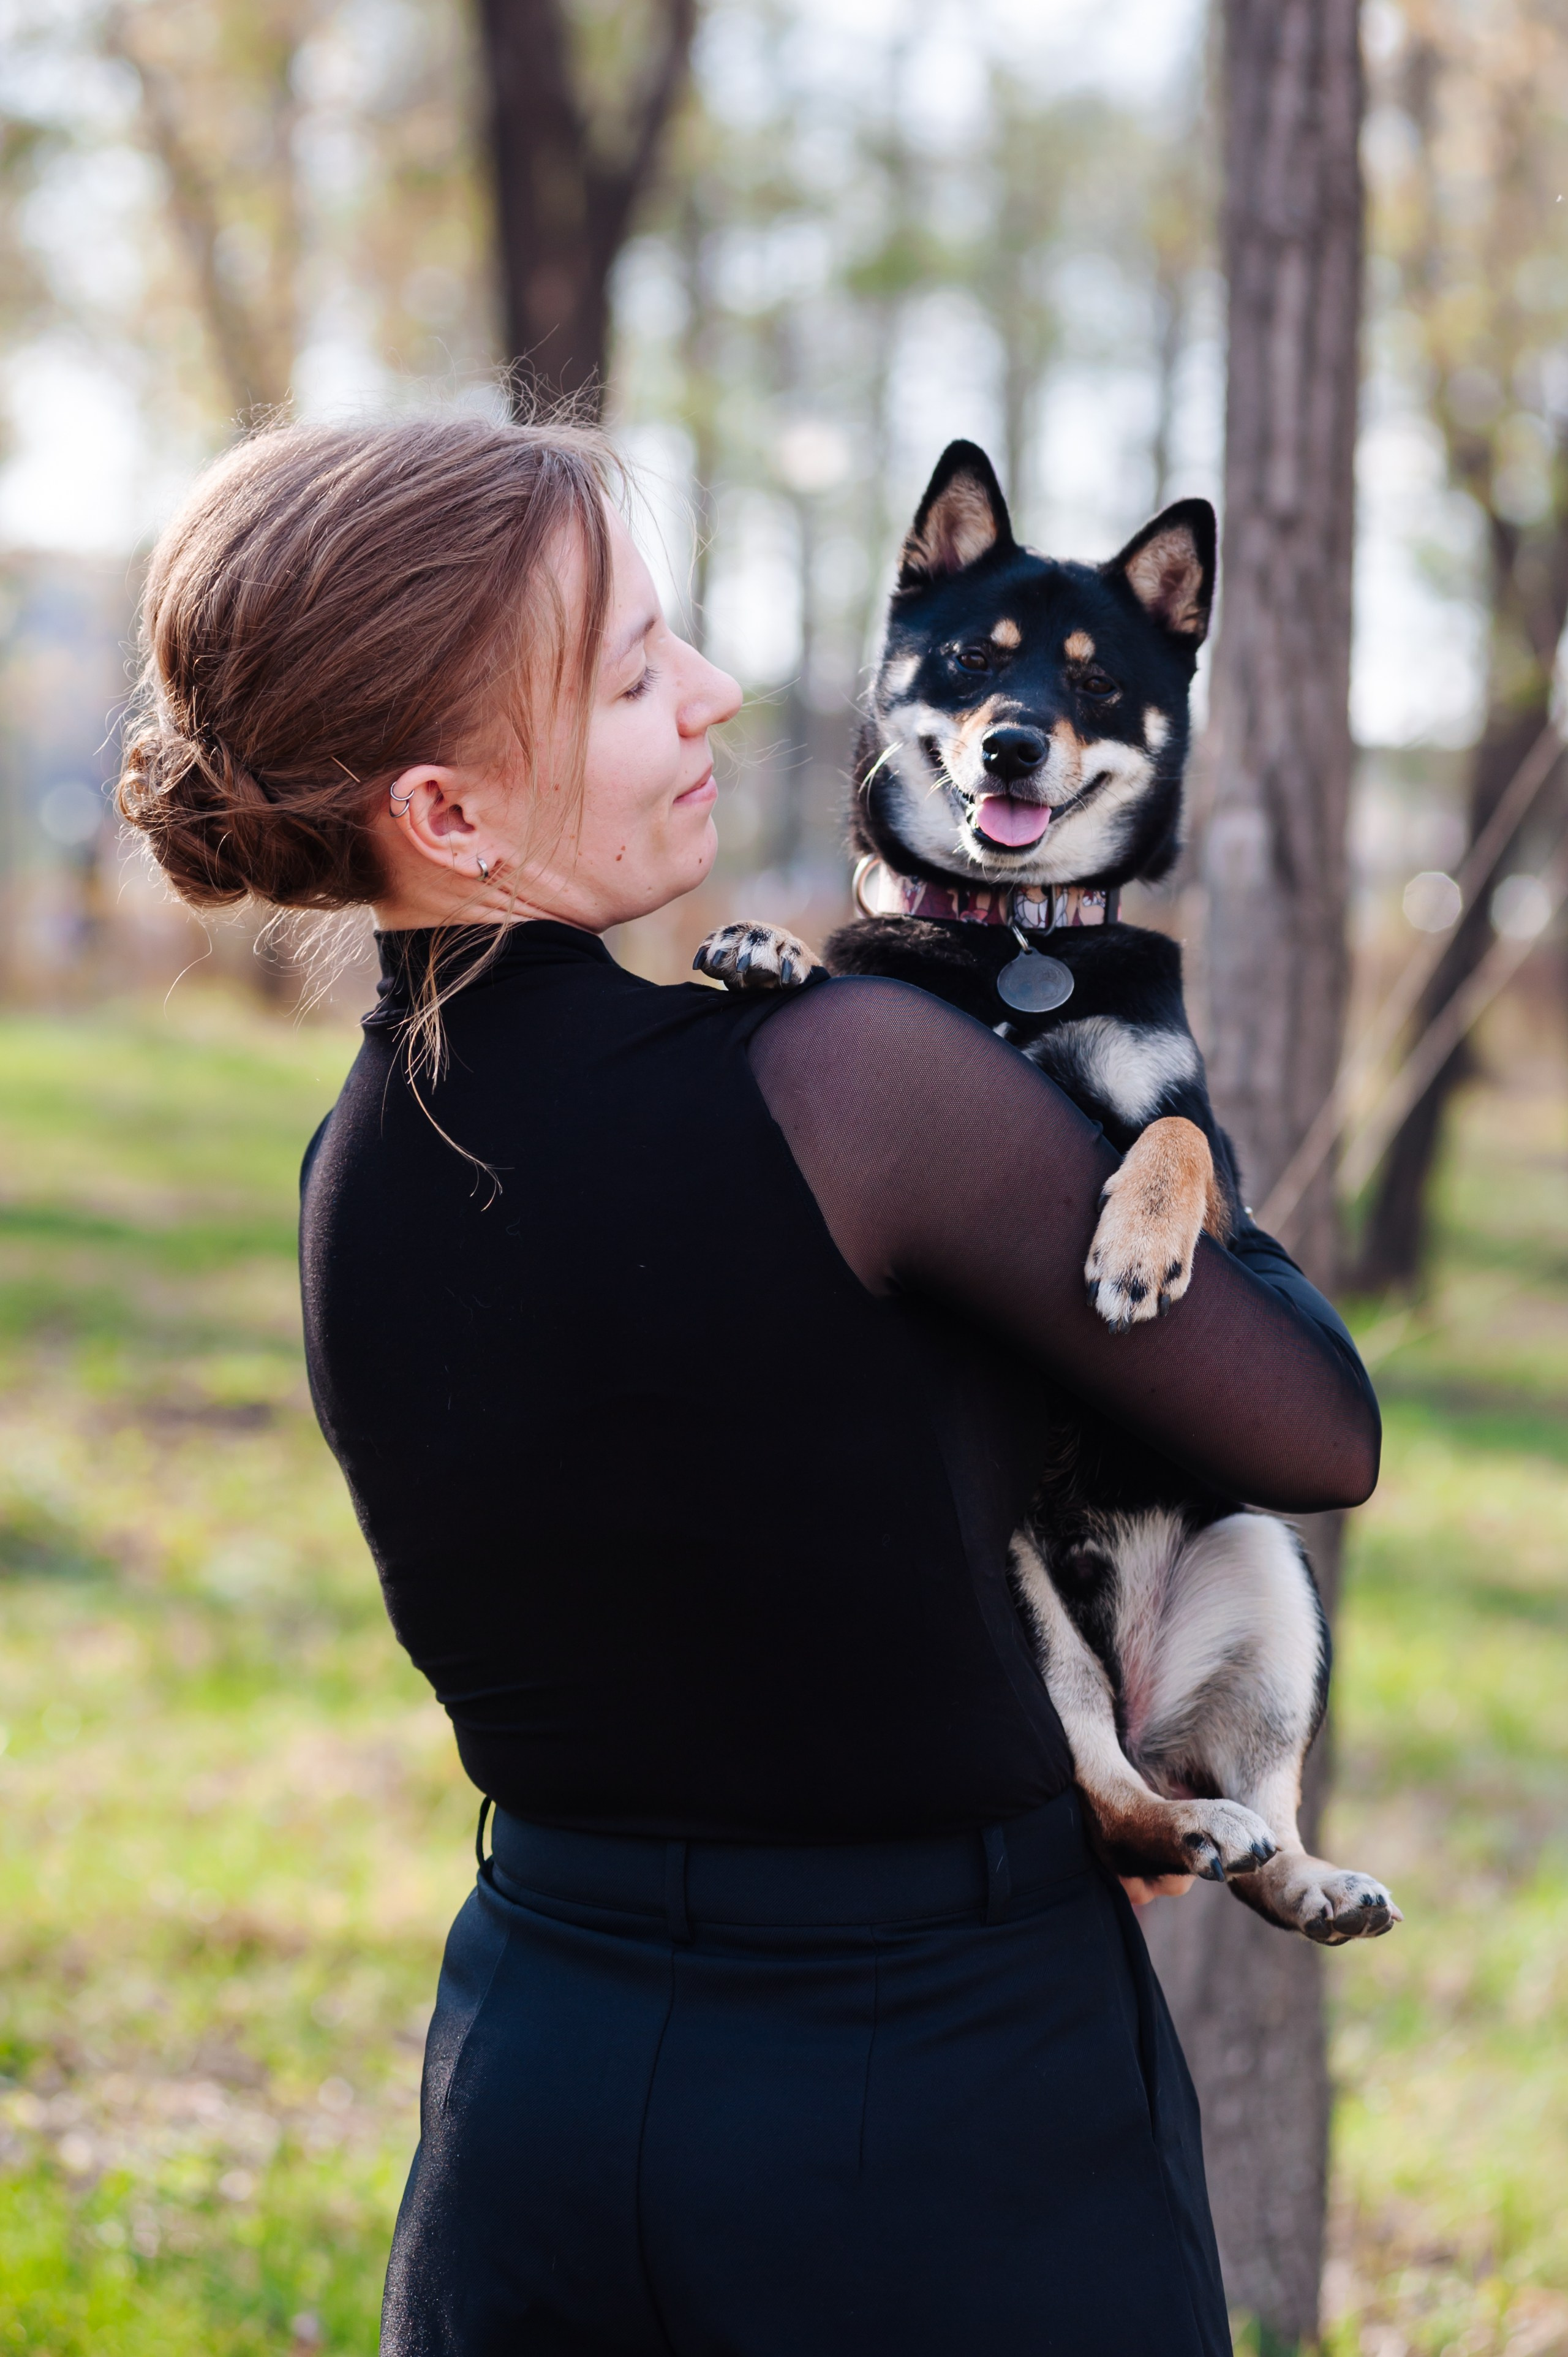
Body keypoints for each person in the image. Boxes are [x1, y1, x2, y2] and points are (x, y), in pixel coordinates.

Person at [118, 414, 1380, 2357]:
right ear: (452, 812)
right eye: (634, 673)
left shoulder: (345, 1172)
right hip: (943, 2124)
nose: (711, 694)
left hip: (533, 2106)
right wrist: (1155, 1108)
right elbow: (1316, 1429)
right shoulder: (857, 1086)